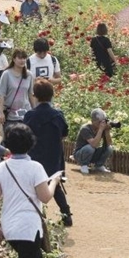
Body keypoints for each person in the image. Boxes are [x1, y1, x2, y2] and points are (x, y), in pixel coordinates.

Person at [0, 123, 63, 258]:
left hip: (10, 227)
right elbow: (45, 197)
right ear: (30, 143)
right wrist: (54, 182)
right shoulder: (35, 168)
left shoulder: (2, 167)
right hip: (28, 228)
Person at [23, 80, 73, 226]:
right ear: (52, 95)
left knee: (34, 186)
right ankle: (66, 215)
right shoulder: (57, 115)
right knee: (55, 185)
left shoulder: (30, 115)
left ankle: (39, 216)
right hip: (54, 154)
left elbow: (25, 134)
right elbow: (64, 134)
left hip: (35, 154)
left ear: (35, 96)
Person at [0, 49, 35, 133]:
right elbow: (1, 94)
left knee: (24, 140)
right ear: (14, 59)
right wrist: (1, 112)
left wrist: (35, 110)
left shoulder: (29, 75)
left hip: (25, 112)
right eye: (20, 58)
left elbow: (31, 94)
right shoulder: (6, 74)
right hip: (10, 114)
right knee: (10, 140)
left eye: (24, 58)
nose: (22, 60)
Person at [73, 108, 114, 174]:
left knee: (109, 148)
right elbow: (94, 144)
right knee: (90, 147)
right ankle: (84, 165)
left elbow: (109, 143)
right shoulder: (85, 129)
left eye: (103, 121)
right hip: (80, 154)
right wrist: (100, 129)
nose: (101, 123)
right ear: (93, 121)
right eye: (99, 121)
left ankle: (99, 165)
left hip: (92, 153)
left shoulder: (102, 128)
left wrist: (107, 131)